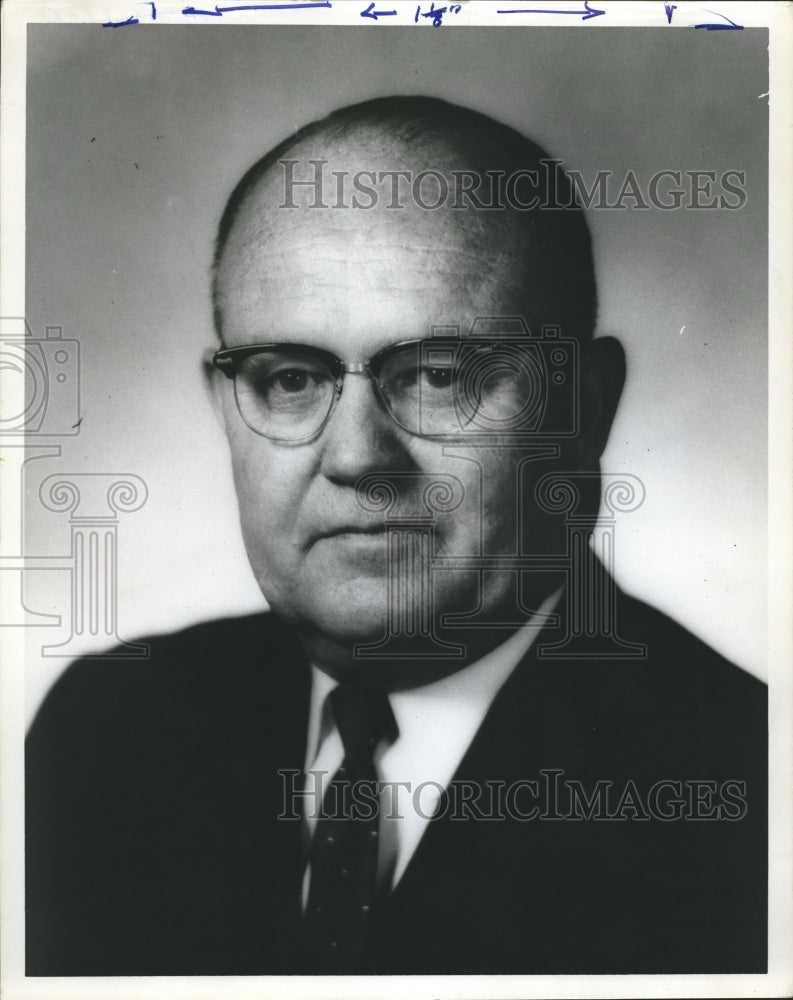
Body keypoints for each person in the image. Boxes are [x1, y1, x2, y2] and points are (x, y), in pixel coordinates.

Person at [25, 97, 767, 976]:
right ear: (228, 407)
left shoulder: (747, 786)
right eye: (290, 378)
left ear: (584, 408)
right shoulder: (109, 733)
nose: (355, 458)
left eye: (439, 375)